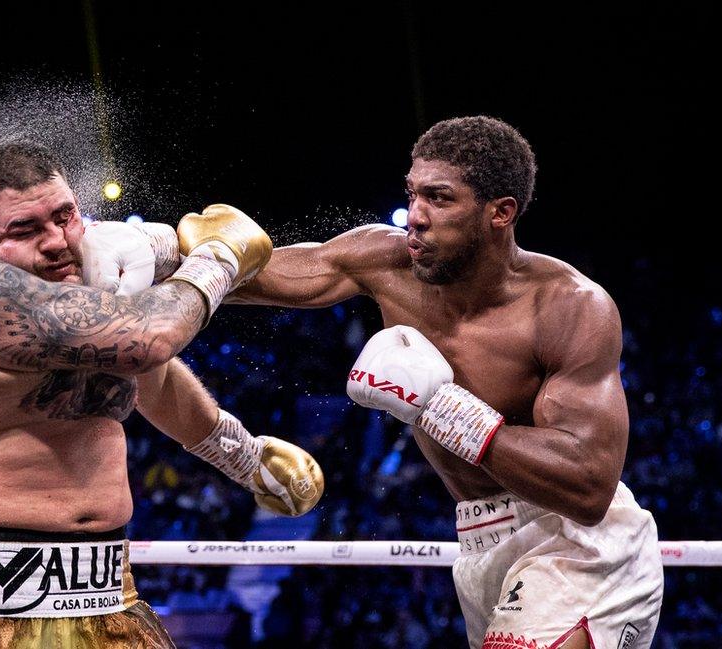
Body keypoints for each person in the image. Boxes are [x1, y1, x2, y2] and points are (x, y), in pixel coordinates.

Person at [230, 116, 663, 649]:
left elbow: (589, 486)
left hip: (577, 543)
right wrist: (155, 256)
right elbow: (255, 273)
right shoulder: (385, 262)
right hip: (479, 543)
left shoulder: (569, 306)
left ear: (500, 212)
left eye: (439, 199)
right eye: (412, 194)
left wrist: (440, 406)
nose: (415, 217)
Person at [0, 139, 323, 648]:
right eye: (25, 229)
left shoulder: (82, 282)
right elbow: (149, 341)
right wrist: (216, 258)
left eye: (63, 217)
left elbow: (145, 376)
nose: (55, 242)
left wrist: (243, 456)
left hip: (104, 587)